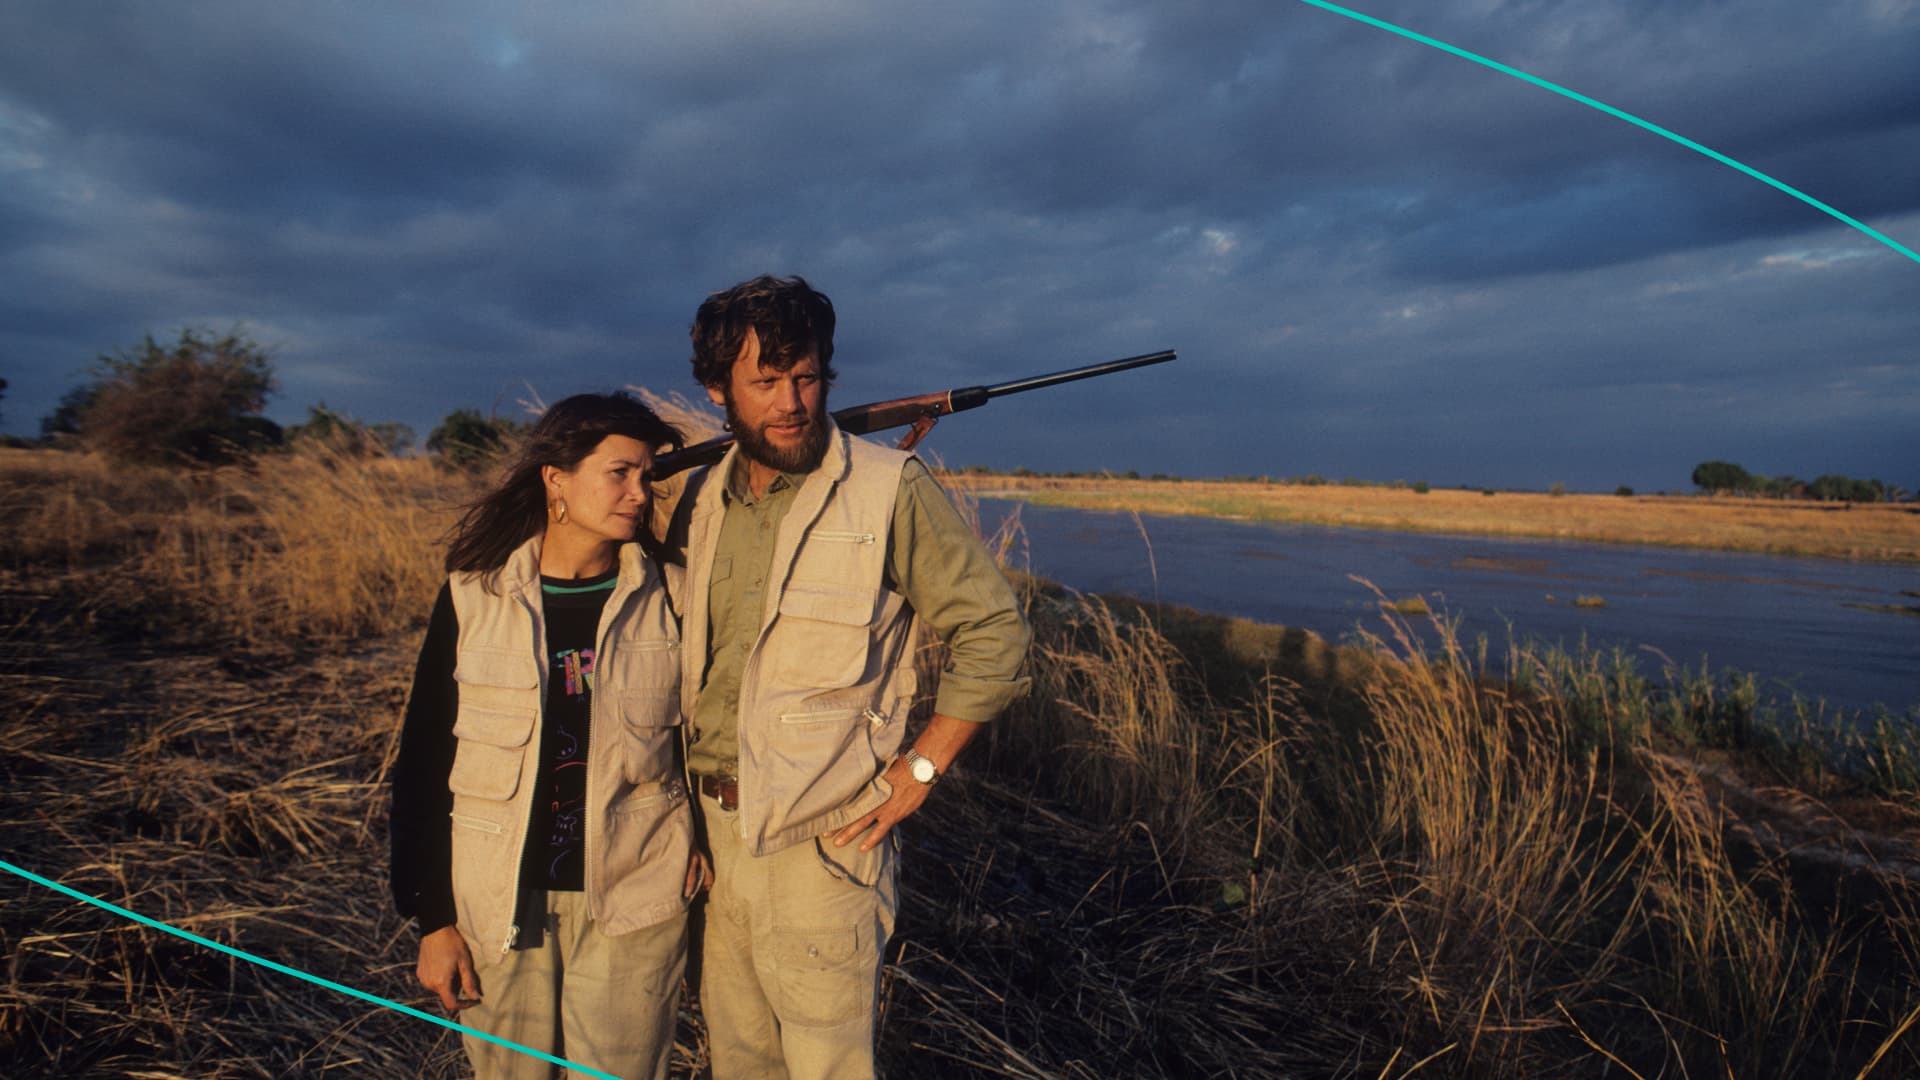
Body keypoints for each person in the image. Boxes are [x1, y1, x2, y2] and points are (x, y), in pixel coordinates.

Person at [668, 275, 1031, 1079]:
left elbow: (996, 630)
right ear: (717, 391)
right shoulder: (698, 502)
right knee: (738, 1063)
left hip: (823, 848)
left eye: (808, 377)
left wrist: (921, 768)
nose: (793, 402)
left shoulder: (886, 489)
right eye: (766, 382)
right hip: (710, 843)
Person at [389, 392, 708, 1080]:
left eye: (648, 476)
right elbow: (422, 766)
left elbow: (706, 739)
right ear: (555, 479)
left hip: (634, 900)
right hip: (499, 905)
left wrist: (703, 844)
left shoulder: (676, 597)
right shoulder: (474, 597)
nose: (639, 492)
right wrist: (434, 919)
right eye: (619, 472)